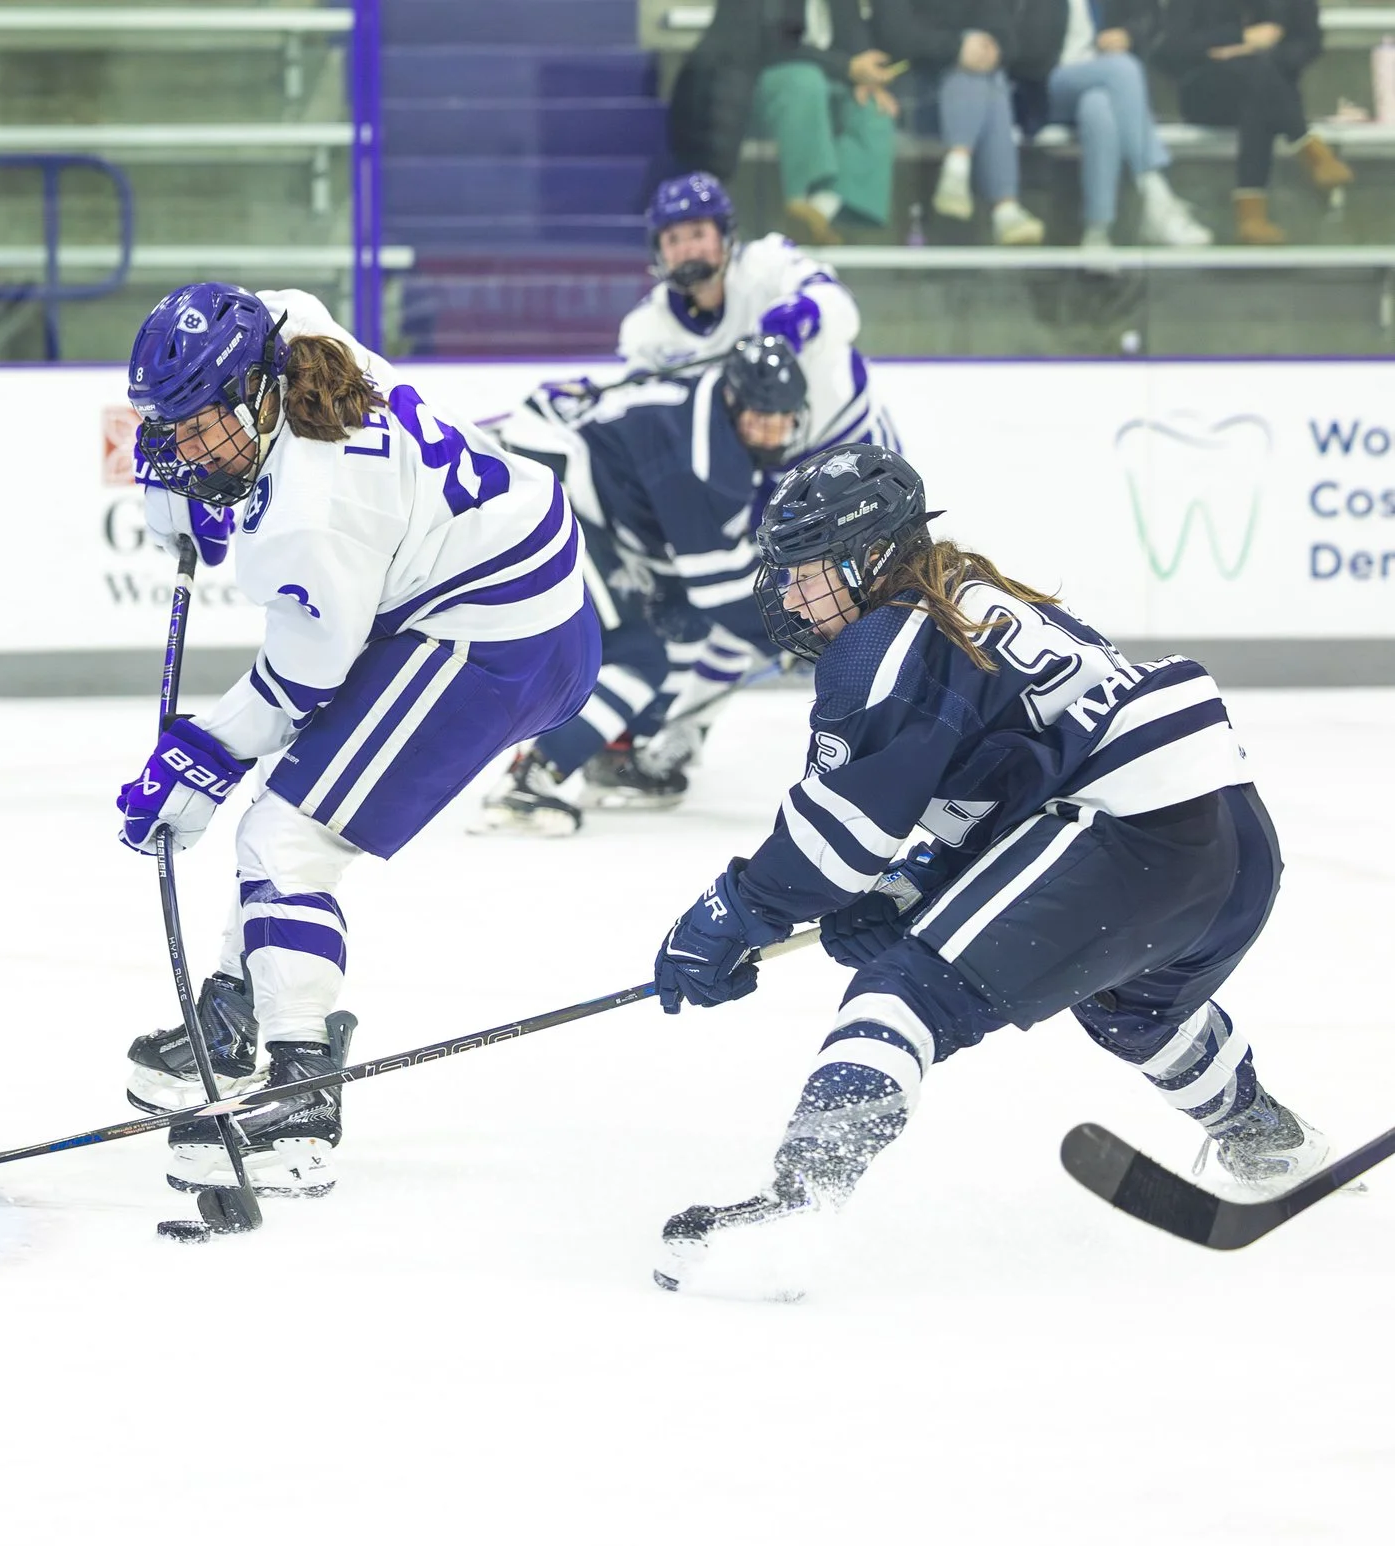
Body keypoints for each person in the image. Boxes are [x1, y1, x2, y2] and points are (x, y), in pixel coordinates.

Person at [645, 444, 1334, 1300]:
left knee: (906, 991)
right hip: (1225, 831)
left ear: (866, 557)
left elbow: (835, 845)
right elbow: (1016, 787)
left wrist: (728, 914)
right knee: (1134, 1007)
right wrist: (905, 891)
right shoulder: (974, 597)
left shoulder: (883, 645)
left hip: (1129, 830)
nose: (788, 594)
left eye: (807, 571)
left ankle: (798, 1204)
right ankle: (1264, 1134)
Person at [114, 282, 601, 1199]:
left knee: (285, 837)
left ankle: (301, 1092)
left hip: (499, 633)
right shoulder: (291, 331)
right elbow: (275, 303)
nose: (179, 448)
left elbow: (300, 682)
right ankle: (238, 1013)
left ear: (259, 395)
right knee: (282, 822)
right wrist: (187, 477)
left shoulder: (308, 515)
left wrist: (201, 756)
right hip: (494, 580)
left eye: (197, 427)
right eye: (164, 429)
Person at [480, 336, 808, 834]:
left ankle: (612, 753)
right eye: (760, 418)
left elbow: (705, 584)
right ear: (734, 403)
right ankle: (528, 779)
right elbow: (721, 589)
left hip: (569, 482)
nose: (772, 433)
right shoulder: (705, 459)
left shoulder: (711, 417)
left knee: (681, 625)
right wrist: (797, 638)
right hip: (543, 483)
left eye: (782, 420)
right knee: (640, 652)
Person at [616, 173, 901, 465]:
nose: (686, 250)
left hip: (845, 438)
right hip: (754, 471)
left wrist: (804, 312)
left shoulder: (768, 264)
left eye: (698, 234)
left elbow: (840, 306)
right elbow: (636, 406)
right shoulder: (646, 326)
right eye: (673, 239)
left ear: (725, 235)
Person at [670, 0, 906, 244]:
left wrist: (870, 80)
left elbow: (856, 45)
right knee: (804, 80)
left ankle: (822, 209)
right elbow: (768, 45)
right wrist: (847, 67)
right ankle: (799, 197)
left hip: (829, 85)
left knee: (872, 108)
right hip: (750, 87)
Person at [1010, 0, 1211, 248]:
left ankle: (1097, 233)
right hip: (1046, 84)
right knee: (1123, 68)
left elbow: (1148, 16)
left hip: (1101, 82)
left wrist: (1127, 35)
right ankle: (1153, 190)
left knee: (1099, 107)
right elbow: (1019, 43)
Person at [1148, 0, 1348, 245]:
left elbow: (1310, 43)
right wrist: (1238, 38)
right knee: (1259, 81)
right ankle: (1307, 150)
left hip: (1270, 88)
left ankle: (1253, 220)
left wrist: (1254, 54)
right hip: (1207, 92)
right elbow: (1169, 50)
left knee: (1258, 81)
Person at [876, 0, 1051, 243]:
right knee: (985, 80)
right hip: (912, 94)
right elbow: (896, 37)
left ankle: (957, 170)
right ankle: (1004, 208)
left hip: (969, 102)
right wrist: (957, 49)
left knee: (983, 76)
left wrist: (988, 49)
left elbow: (1009, 41)